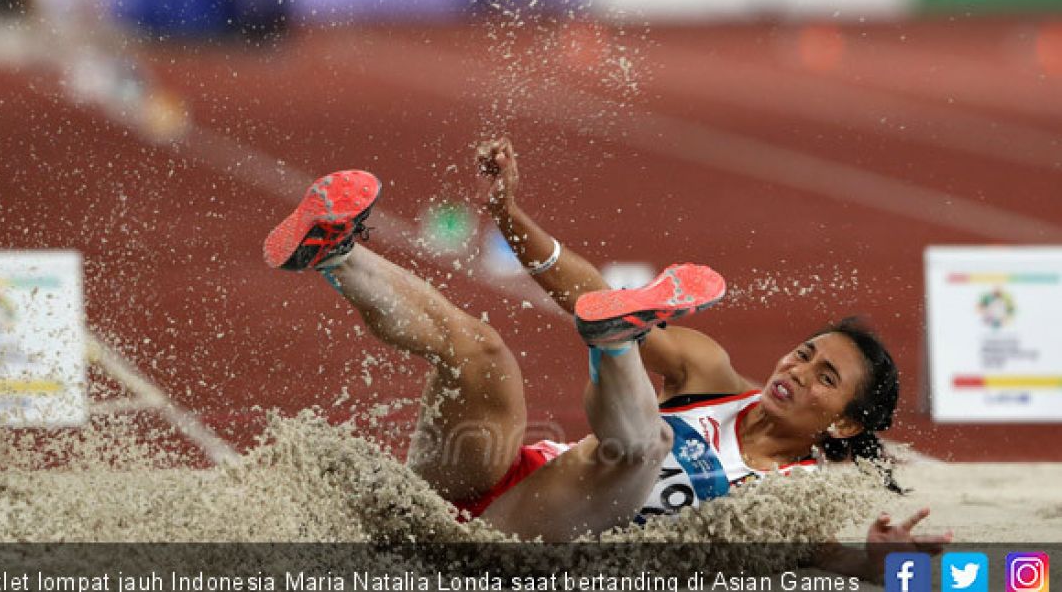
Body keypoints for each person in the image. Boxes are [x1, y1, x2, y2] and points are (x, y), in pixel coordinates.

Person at [263, 139, 950, 578]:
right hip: (500, 479)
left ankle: (616, 344)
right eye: (803, 355)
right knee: (482, 352)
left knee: (643, 447)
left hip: (525, 548)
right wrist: (508, 215)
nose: (796, 372)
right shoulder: (711, 374)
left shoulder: (797, 495)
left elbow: (816, 555)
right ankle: (335, 251)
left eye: (823, 378)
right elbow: (585, 291)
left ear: (846, 426)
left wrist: (875, 565)